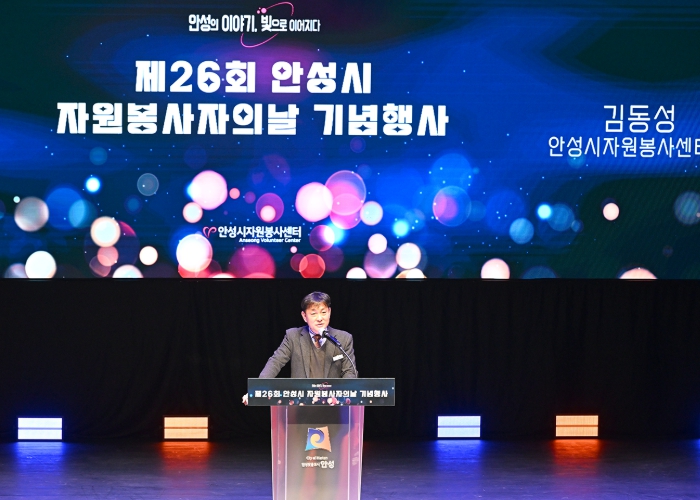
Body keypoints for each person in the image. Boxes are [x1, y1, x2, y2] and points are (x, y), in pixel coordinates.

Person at [242, 291, 357, 405]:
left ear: (329, 312)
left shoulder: (344, 339)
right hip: (300, 406)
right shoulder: (293, 337)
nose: (319, 318)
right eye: (313, 313)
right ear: (304, 316)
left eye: (323, 312)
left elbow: (349, 371)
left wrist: (343, 397)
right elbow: (275, 362)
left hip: (332, 406)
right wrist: (257, 389)